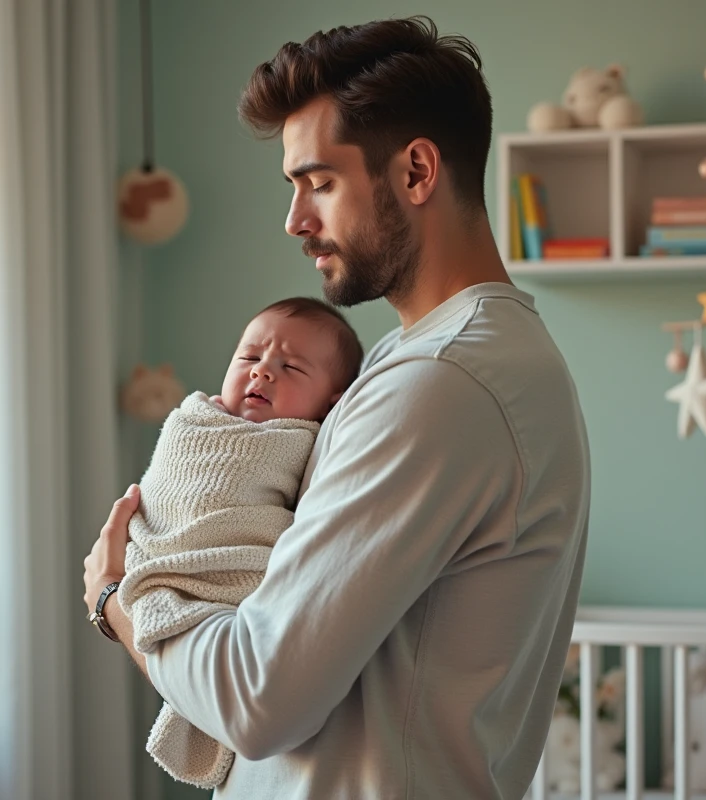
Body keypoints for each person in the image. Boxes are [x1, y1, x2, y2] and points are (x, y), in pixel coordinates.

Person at [84, 15, 591, 799]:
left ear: (417, 171)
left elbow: (258, 698)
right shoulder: (436, 359)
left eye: (319, 183)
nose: (295, 220)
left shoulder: (444, 382)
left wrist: (119, 601)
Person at [115, 297, 364, 789]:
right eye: (249, 358)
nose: (263, 372)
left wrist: (106, 591)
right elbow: (164, 491)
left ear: (332, 403)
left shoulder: (303, 443)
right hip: (159, 553)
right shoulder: (195, 420)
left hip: (237, 568)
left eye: (290, 366)